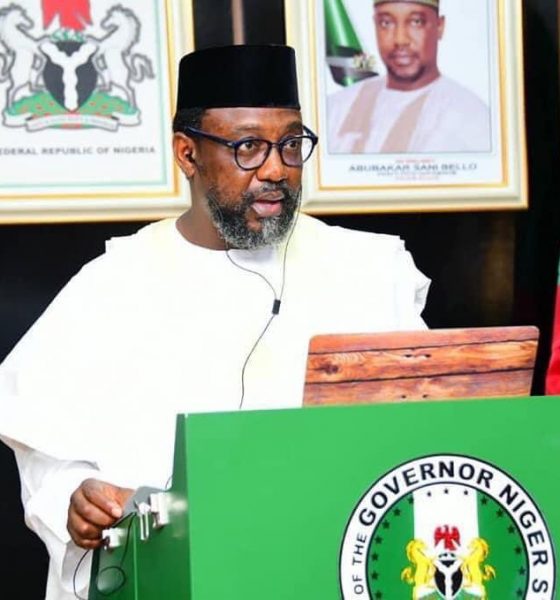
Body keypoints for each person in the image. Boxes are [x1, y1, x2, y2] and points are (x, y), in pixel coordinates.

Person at [0, 45, 429, 599]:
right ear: (188, 153)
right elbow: (44, 448)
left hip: (329, 571)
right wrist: (75, 495)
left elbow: (424, 429)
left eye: (291, 144)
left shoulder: (367, 271)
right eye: (247, 147)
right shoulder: (114, 282)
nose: (275, 170)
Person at [328, 0, 491, 154]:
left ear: (440, 26)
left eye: (416, 22)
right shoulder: (337, 108)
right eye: (386, 23)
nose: (400, 39)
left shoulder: (471, 118)